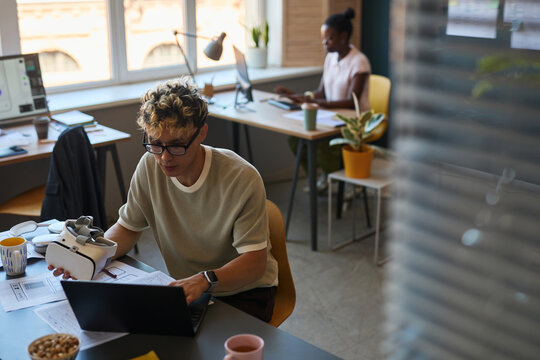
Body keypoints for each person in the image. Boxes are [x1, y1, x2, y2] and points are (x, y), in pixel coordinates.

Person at [49, 78, 279, 322]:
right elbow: (127, 228)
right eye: (156, 144)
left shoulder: (240, 177)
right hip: (188, 289)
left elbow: (255, 264)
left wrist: (204, 280)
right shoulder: (150, 165)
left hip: (243, 292)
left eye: (177, 146)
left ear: (201, 132)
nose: (164, 158)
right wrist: (88, 256)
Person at [275, 7, 371, 190]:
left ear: (344, 36)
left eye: (330, 37)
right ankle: (321, 178)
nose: (325, 42)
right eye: (323, 38)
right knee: (296, 139)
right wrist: (296, 96)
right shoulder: (331, 58)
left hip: (352, 120)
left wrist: (316, 103)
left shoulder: (359, 61)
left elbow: (352, 101)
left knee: (324, 145)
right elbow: (321, 92)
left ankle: (342, 182)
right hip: (330, 116)